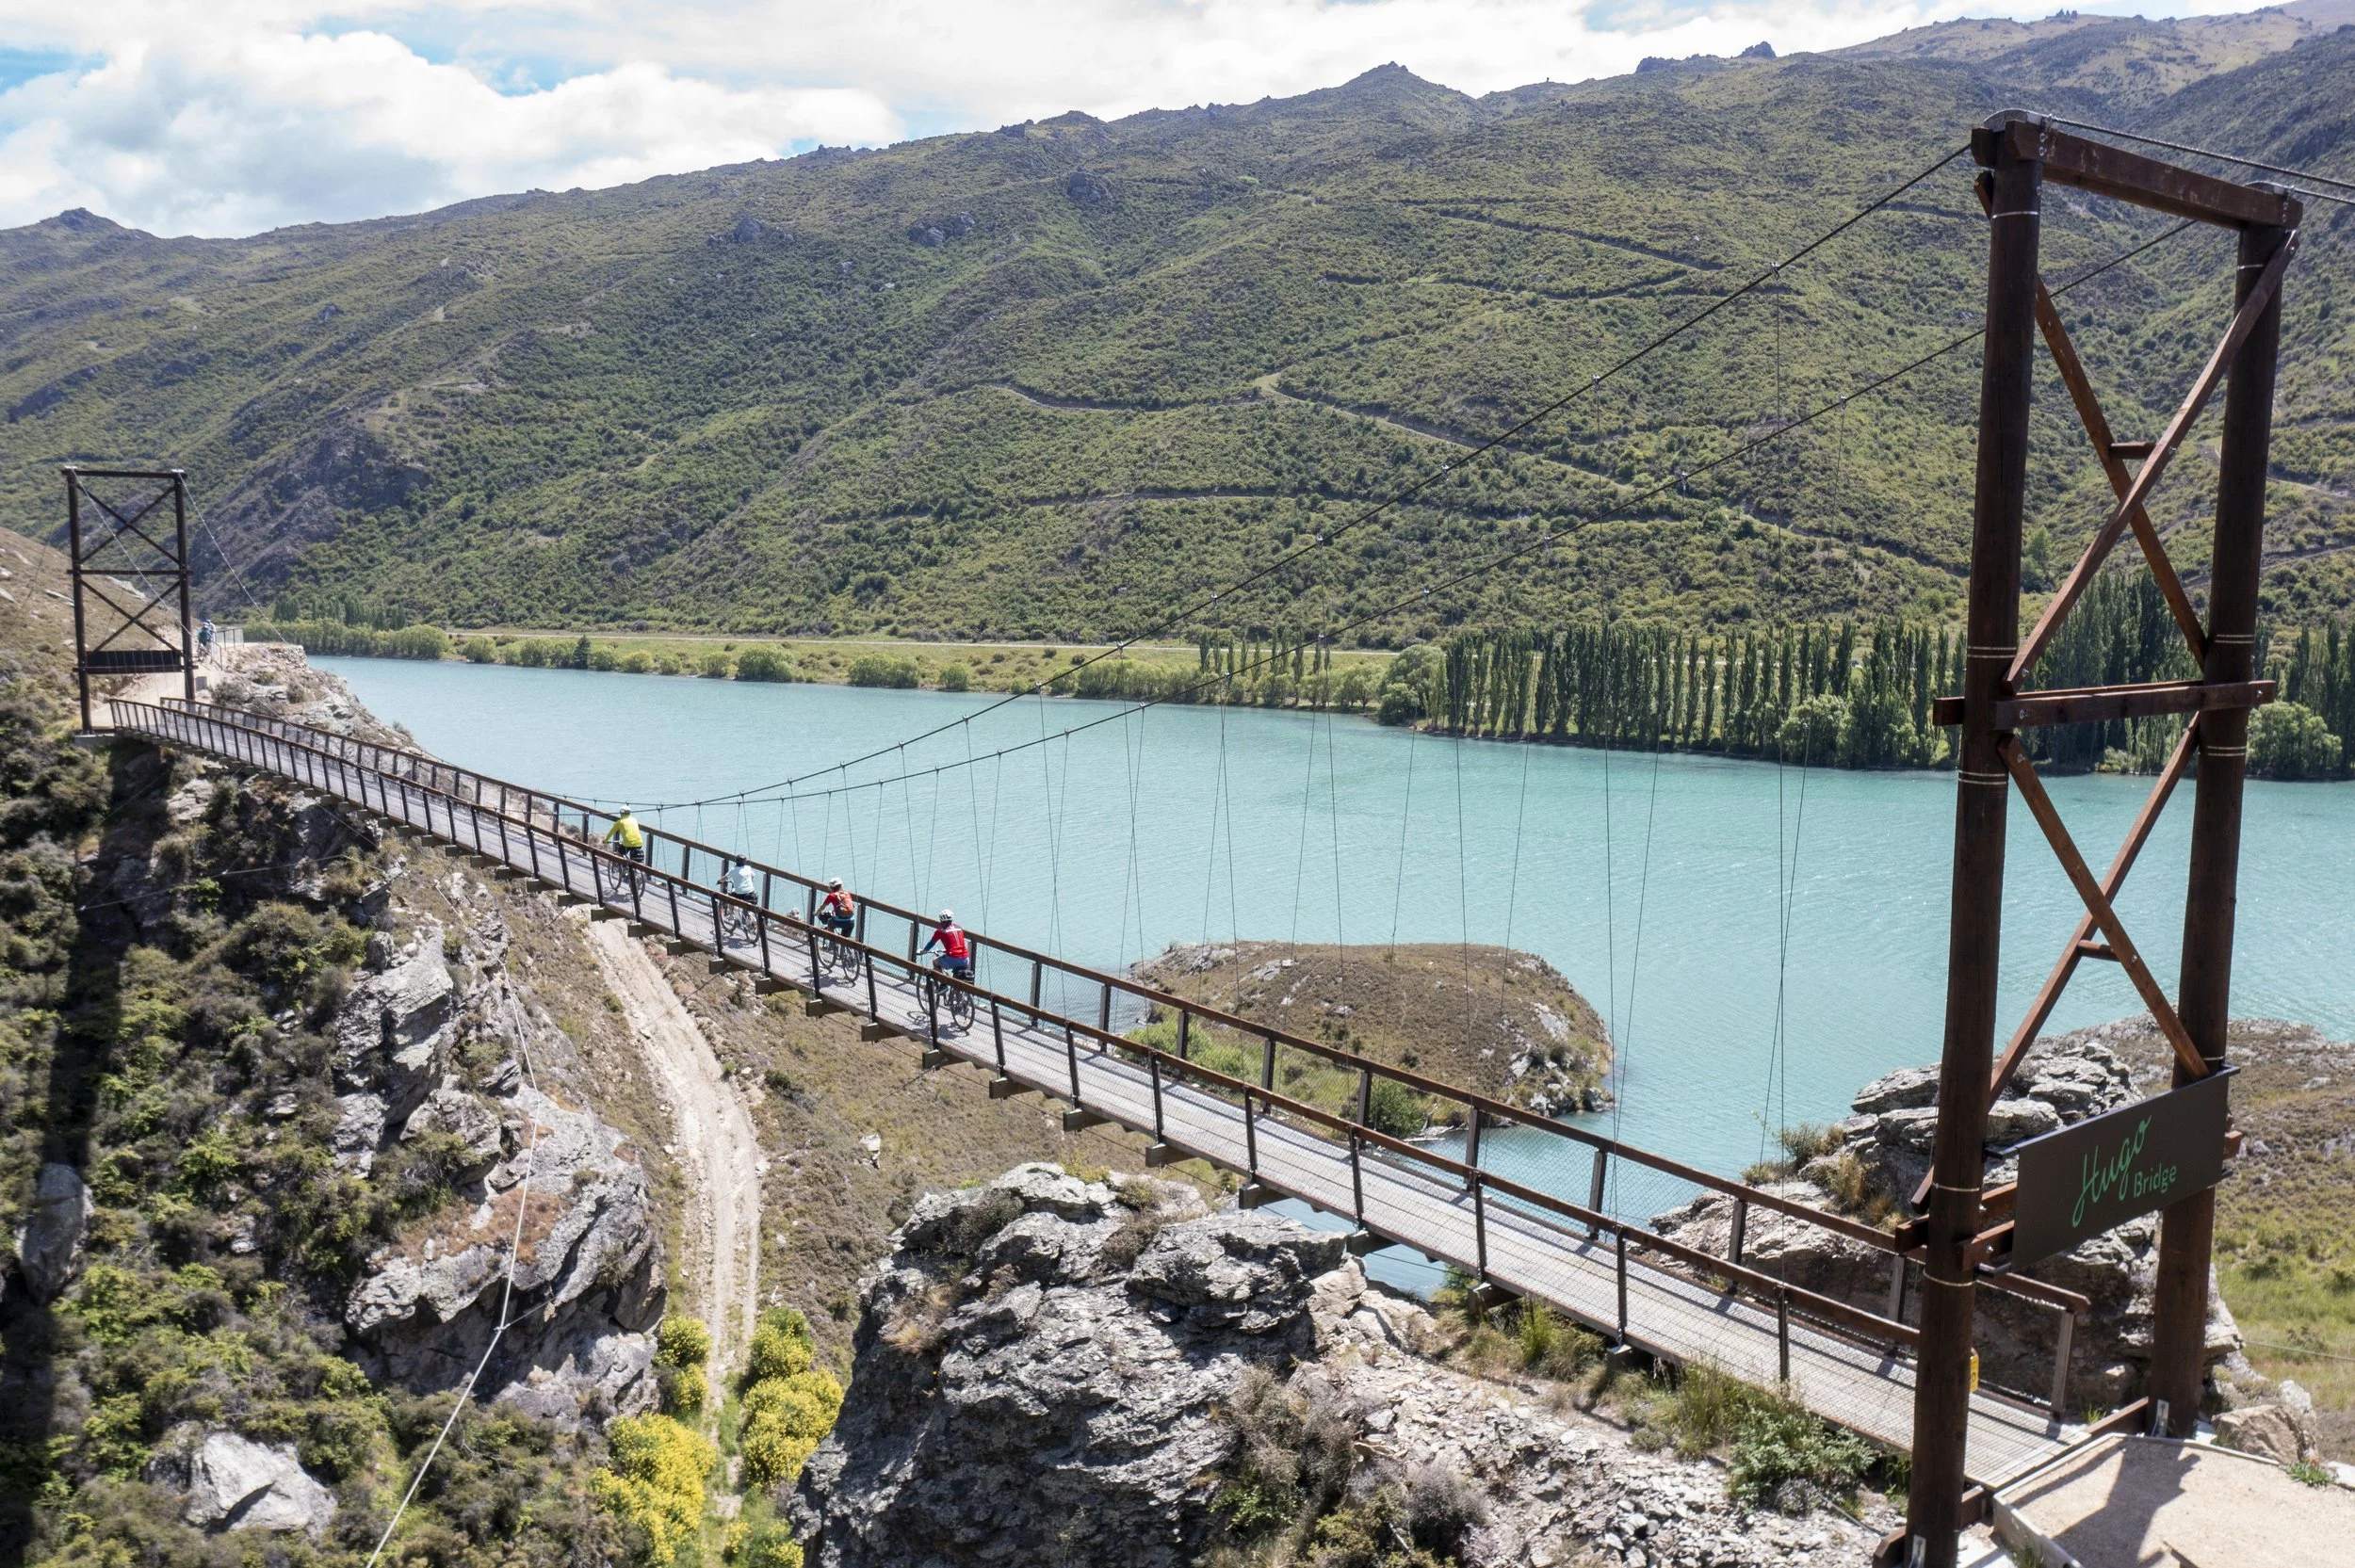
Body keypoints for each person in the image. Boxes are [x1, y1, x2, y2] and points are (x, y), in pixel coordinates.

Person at [922, 908, 971, 978]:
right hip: (965, 959)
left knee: (935, 962)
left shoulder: (940, 931)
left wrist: (924, 951)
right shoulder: (959, 928)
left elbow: (931, 943)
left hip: (953, 958)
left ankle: (944, 983)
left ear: (941, 921)